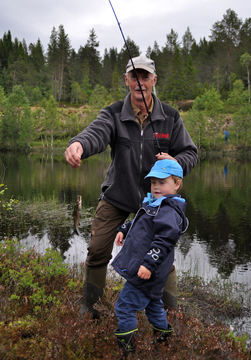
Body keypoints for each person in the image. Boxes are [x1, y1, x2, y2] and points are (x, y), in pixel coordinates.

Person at [64, 54, 197, 318]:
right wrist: (79, 144)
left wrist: (176, 161)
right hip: (117, 195)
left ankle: (170, 312)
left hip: (157, 200)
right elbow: (97, 133)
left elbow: (190, 153)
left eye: (145, 76)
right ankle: (91, 307)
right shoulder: (113, 113)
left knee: (163, 254)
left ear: (154, 80)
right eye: (134, 76)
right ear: (126, 80)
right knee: (98, 249)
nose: (140, 82)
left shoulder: (170, 117)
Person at [112, 159, 188, 355]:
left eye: (162, 182)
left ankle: (127, 350)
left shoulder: (169, 211)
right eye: (153, 182)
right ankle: (164, 339)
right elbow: (141, 221)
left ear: (177, 184)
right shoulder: (155, 203)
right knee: (153, 305)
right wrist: (124, 229)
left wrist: (148, 264)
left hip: (147, 270)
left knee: (124, 307)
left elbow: (163, 242)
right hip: (151, 272)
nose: (156, 186)